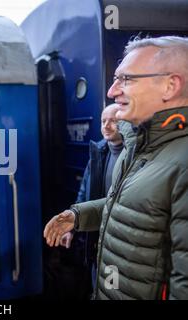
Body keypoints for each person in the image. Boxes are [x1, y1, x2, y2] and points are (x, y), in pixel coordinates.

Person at [44, 36, 188, 300]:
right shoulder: (137, 145)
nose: (112, 91)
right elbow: (131, 208)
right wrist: (78, 216)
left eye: (127, 79)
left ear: (170, 86)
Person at [59, 104, 123, 298]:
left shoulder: (132, 155)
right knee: (98, 287)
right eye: (103, 121)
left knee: (113, 290)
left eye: (113, 121)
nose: (106, 125)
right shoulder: (98, 152)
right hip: (97, 239)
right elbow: (84, 192)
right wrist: (72, 226)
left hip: (118, 241)